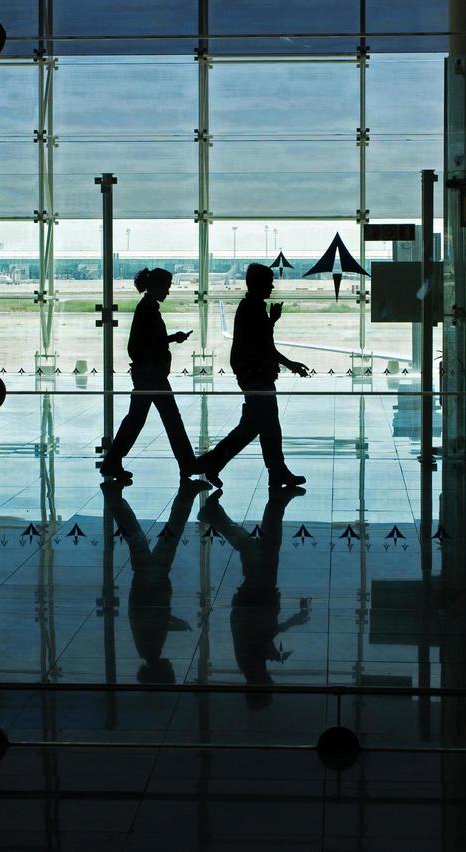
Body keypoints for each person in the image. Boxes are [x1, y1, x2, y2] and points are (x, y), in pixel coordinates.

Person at [196, 262, 309, 489]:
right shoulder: (253, 309)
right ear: (256, 283)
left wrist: (271, 321)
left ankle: (214, 463)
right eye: (268, 282)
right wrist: (291, 364)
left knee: (254, 426)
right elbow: (265, 347)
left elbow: (260, 341)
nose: (271, 286)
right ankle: (274, 471)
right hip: (256, 375)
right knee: (268, 426)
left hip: (253, 374)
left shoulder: (252, 306)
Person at [199, 486, 311, 709]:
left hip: (256, 602)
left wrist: (292, 621)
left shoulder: (252, 668)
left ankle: (275, 503)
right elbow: (260, 640)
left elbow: (260, 637)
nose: (272, 683)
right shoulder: (251, 668)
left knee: (262, 549)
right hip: (255, 602)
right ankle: (270, 505)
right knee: (261, 548)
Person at [102, 478, 211, 684]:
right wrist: (175, 622)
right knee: (143, 537)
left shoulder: (150, 648)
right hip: (148, 581)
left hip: (152, 580)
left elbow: (153, 619)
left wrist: (174, 622)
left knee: (161, 536)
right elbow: (154, 622)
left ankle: (115, 496)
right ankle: (114, 496)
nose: (172, 667)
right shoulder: (149, 650)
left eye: (170, 672)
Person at [99, 267, 200, 484]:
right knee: (171, 419)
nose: (168, 292)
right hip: (151, 375)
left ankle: (113, 461)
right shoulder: (148, 310)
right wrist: (173, 339)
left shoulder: (147, 308)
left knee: (137, 420)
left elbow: (145, 343)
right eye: (166, 287)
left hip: (147, 374)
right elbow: (149, 344)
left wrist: (172, 338)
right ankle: (187, 463)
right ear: (155, 287)